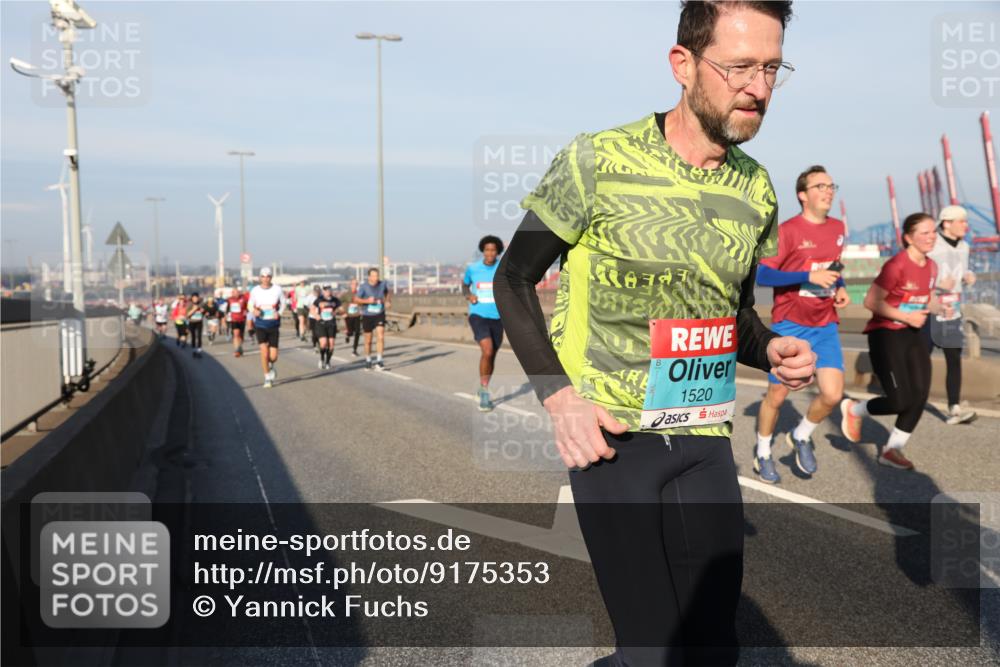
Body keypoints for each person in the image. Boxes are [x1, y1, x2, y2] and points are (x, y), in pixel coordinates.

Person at [493, 2, 812, 664]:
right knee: (650, 648)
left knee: (713, 646)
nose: (758, 87)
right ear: (684, 64)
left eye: (773, 68)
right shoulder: (597, 158)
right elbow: (513, 279)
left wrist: (768, 346)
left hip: (702, 437)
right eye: (740, 66)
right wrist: (559, 396)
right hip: (614, 441)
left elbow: (732, 315)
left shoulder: (756, 190)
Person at [752, 165, 849, 482]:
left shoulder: (837, 228)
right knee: (777, 397)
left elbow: (834, 268)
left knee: (833, 395)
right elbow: (763, 274)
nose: (828, 190)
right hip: (790, 325)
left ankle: (801, 434)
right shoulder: (788, 230)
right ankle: (763, 452)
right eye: (820, 185)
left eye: (831, 185)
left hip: (825, 325)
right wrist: (808, 276)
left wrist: (841, 287)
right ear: (802, 195)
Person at [842, 213, 951, 470]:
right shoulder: (896, 265)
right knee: (900, 399)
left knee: (920, 394)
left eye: (933, 232)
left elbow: (926, 298)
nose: (931, 237)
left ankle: (892, 450)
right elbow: (871, 301)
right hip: (886, 334)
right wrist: (905, 316)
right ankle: (855, 410)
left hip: (912, 334)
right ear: (908, 238)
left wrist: (939, 307)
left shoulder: (932, 266)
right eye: (924, 233)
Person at [925, 205, 977, 425]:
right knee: (920, 358)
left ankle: (954, 408)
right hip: (930, 310)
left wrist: (968, 275)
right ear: (946, 223)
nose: (965, 225)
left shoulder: (964, 246)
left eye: (965, 221)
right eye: (961, 221)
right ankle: (906, 399)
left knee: (954, 359)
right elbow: (919, 271)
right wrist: (938, 285)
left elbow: (959, 270)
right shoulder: (932, 244)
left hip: (952, 310)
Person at [462, 235, 506, 411]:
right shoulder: (473, 269)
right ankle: (485, 393)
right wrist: (469, 295)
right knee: (487, 350)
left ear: (497, 252)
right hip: (478, 314)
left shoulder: (503, 269)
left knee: (492, 355)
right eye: (487, 250)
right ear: (483, 251)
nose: (490, 253)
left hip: (498, 317)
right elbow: (465, 285)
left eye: (493, 250)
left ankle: (483, 384)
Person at [248, 268, 287, 388]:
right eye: (263, 276)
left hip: (273, 326)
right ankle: (267, 378)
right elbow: (250, 304)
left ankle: (270, 365)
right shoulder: (255, 290)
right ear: (260, 277)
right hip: (260, 325)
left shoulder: (277, 289)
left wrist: (279, 313)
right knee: (264, 353)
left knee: (273, 357)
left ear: (271, 277)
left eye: (268, 276)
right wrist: (253, 310)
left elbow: (284, 303)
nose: (265, 279)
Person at [355, 268, 391, 371]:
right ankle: (368, 360)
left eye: (377, 276)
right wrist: (366, 300)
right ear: (369, 277)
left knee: (380, 336)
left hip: (379, 313)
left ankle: (379, 361)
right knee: (368, 340)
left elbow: (387, 293)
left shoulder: (383, 284)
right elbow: (356, 299)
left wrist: (388, 300)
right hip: (367, 315)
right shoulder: (364, 286)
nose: (376, 278)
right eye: (374, 276)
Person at [311, 285, 342, 370]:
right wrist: (317, 316)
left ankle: (328, 362)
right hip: (321, 323)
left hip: (331, 323)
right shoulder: (319, 299)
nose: (328, 291)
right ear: (323, 291)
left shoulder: (335, 300)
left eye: (329, 290)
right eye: (326, 290)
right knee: (324, 343)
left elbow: (340, 308)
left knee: (331, 344)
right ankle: (322, 359)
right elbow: (312, 309)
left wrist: (336, 312)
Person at [227, 286, 249, 357]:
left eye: (237, 292)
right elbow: (227, 309)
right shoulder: (229, 300)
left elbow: (248, 307)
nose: (236, 294)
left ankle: (240, 347)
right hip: (234, 319)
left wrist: (246, 311)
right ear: (232, 293)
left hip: (242, 319)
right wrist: (226, 317)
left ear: (239, 293)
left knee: (241, 336)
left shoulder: (244, 298)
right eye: (234, 292)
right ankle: (236, 350)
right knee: (236, 334)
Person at [343, 279, 362, 356]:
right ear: (350, 285)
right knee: (350, 332)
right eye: (353, 284)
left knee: (357, 332)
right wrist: (343, 312)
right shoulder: (346, 294)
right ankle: (347, 334)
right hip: (348, 315)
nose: (355, 285)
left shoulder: (360, 294)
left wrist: (362, 309)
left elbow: (363, 302)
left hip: (357, 315)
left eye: (356, 284)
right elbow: (338, 302)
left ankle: (354, 349)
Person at [186, 292, 207, 358]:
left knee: (199, 336)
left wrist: (203, 311)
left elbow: (205, 313)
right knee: (193, 336)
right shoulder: (189, 304)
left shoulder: (201, 304)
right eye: (194, 298)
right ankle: (194, 351)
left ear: (198, 298)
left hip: (199, 322)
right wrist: (194, 309)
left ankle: (199, 350)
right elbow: (187, 315)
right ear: (192, 298)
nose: (195, 299)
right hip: (192, 322)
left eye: (196, 297)